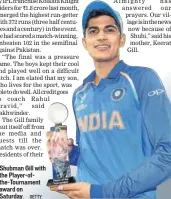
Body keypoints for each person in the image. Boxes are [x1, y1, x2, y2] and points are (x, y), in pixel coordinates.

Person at [48, 0, 171, 198]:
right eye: (93, 31)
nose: (101, 36)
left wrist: (101, 192)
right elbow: (94, 155)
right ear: (84, 42)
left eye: (109, 29)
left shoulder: (142, 79)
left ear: (121, 39)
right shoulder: (80, 94)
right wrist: (70, 154)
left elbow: (168, 154)